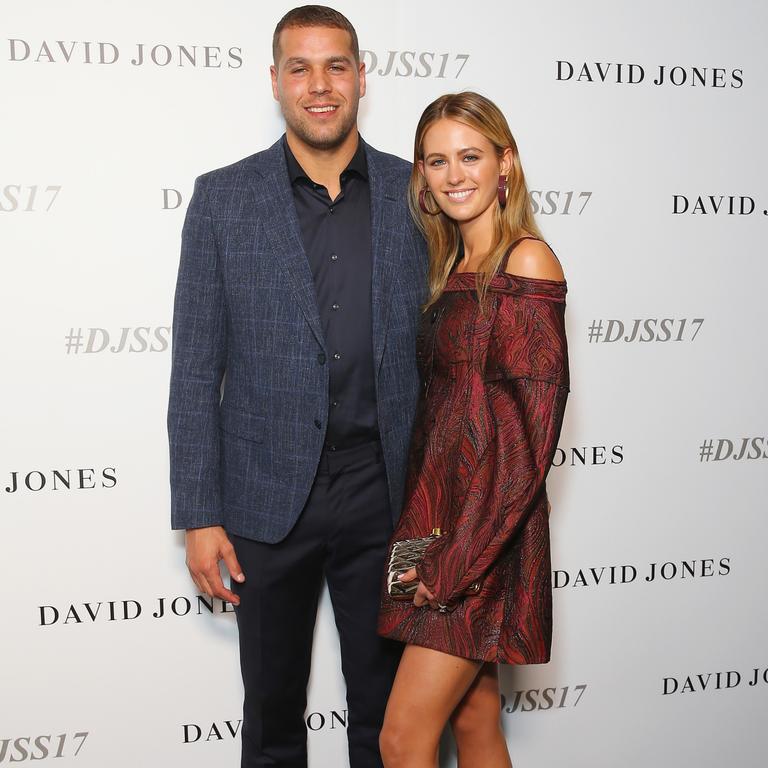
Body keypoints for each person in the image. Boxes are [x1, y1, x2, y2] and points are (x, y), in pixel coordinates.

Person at [167, 6, 426, 767]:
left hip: (388, 496)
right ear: (276, 80)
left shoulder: (417, 191)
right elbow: (194, 365)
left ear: (361, 77)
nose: (320, 86)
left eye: (336, 66)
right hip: (263, 499)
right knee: (273, 716)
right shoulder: (223, 197)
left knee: (389, 718)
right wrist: (199, 512)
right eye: (301, 68)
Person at [377, 92, 569, 768]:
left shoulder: (527, 261)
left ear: (504, 164)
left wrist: (455, 561)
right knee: (477, 720)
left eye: (470, 156)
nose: (454, 174)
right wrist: (414, 548)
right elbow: (442, 425)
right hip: (430, 525)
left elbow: (530, 443)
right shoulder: (453, 268)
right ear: (422, 177)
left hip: (480, 539)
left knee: (401, 739)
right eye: (437, 160)